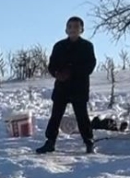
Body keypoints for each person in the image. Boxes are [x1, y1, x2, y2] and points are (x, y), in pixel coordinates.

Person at [37, 16, 97, 155]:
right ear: (66, 29)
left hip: (79, 87)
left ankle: (89, 142)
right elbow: (51, 65)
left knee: (82, 116)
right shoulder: (59, 46)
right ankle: (50, 142)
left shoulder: (87, 46)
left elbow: (90, 66)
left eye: (76, 27)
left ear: (81, 29)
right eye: (70, 27)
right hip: (62, 87)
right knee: (56, 116)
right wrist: (58, 74)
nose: (73, 29)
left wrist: (72, 72)